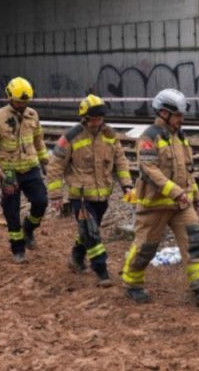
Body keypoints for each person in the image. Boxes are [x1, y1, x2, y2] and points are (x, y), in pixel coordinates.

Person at [121, 88, 199, 305]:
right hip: (154, 204)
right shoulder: (149, 138)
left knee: (195, 241)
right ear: (164, 113)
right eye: (178, 115)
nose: (181, 119)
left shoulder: (180, 137)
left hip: (181, 204)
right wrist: (177, 192)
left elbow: (187, 171)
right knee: (146, 247)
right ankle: (132, 283)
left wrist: (197, 196)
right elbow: (149, 170)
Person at [47, 94, 133, 287]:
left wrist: (127, 184)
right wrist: (55, 195)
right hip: (81, 196)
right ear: (84, 117)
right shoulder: (70, 137)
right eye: (93, 119)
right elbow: (55, 166)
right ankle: (101, 270)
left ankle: (76, 257)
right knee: (92, 233)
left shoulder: (110, 135)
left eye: (100, 119)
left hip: (102, 195)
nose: (97, 122)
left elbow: (121, 161)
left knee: (86, 231)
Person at [0, 77, 49, 264]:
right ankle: (18, 248)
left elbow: (38, 140)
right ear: (10, 97)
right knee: (11, 211)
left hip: (30, 167)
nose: (22, 105)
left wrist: (45, 160)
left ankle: (28, 229)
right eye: (19, 101)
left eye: (25, 101)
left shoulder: (32, 115)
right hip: (8, 171)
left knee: (41, 202)